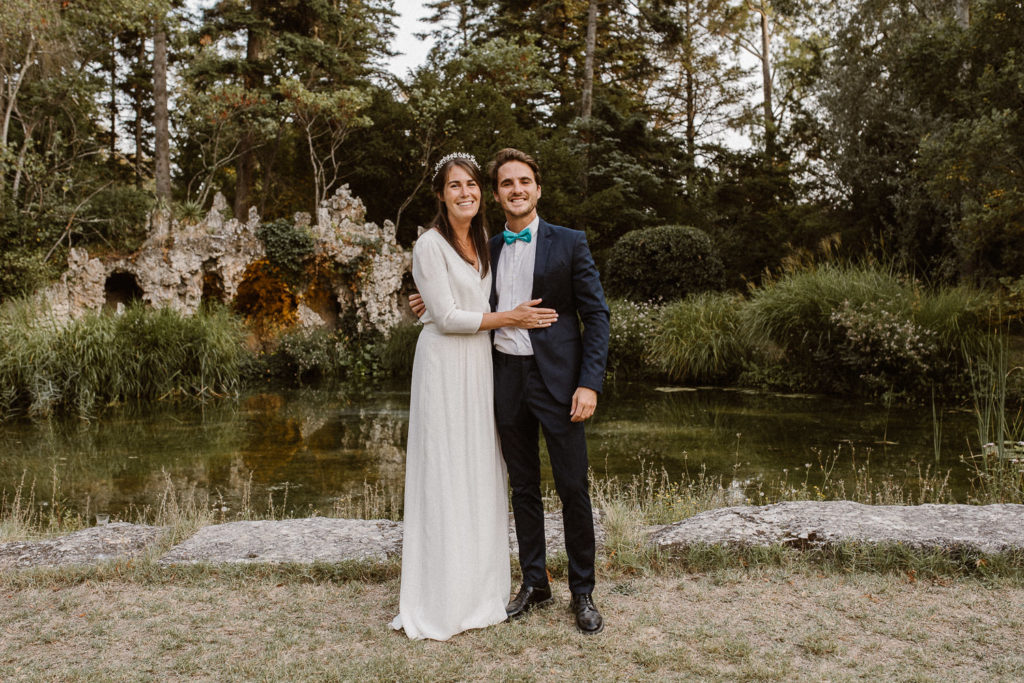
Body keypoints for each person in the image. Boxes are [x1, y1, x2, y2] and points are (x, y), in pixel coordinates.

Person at [412, 148, 611, 635]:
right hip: (501, 378)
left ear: (538, 189)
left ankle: (582, 592)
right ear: (497, 194)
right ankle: (535, 582)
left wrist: (589, 383)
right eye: (507, 183)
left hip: (560, 383)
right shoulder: (486, 245)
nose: (516, 189)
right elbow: (459, 298)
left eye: (525, 181)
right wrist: (424, 301)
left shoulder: (570, 243)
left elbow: (597, 316)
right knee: (522, 486)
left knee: (571, 486)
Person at [390, 152, 559, 641]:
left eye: (471, 185)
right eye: (454, 186)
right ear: (441, 195)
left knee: (481, 471)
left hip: (482, 366)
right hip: (445, 366)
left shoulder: (486, 245)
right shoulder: (429, 244)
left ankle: (479, 591)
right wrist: (508, 318)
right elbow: (447, 317)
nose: (465, 192)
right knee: (444, 472)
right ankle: (441, 598)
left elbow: (470, 299)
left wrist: (436, 302)